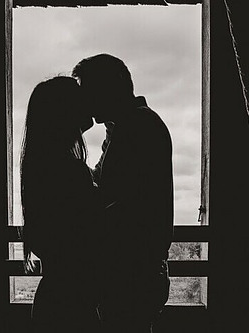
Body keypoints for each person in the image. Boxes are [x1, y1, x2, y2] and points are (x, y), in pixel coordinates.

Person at [73, 54, 174, 333]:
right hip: (131, 269)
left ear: (110, 87)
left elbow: (130, 203)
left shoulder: (140, 127)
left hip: (133, 272)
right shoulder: (123, 128)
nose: (86, 101)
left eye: (89, 90)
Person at [20, 76, 103, 333]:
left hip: (57, 297)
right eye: (80, 98)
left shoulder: (45, 166)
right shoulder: (70, 170)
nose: (88, 102)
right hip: (73, 302)